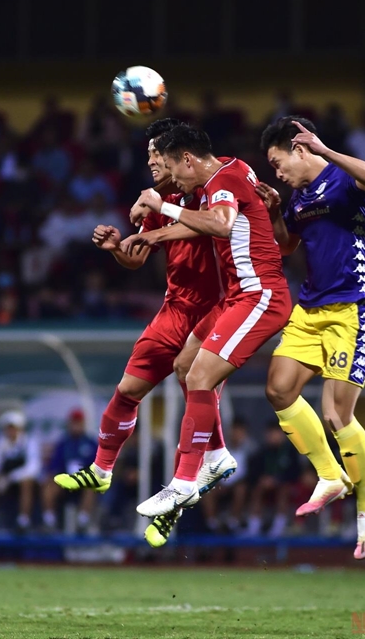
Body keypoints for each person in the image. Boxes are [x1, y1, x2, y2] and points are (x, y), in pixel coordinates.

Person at [53, 118, 237, 548]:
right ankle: (100, 470)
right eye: (150, 154)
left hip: (222, 310)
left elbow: (218, 223)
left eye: (158, 153)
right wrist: (119, 248)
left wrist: (159, 214)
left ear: (180, 154)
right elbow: (139, 255)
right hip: (175, 308)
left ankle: (179, 497)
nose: (151, 160)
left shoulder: (217, 184)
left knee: (192, 386)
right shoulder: (158, 199)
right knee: (127, 389)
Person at [129, 124, 291, 519]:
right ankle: (216, 456)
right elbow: (213, 220)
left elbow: (219, 223)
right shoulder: (232, 171)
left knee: (200, 376)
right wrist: (157, 230)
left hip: (260, 296)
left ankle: (182, 483)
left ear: (187, 159)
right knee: (185, 366)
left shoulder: (223, 180)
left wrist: (160, 206)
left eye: (170, 167)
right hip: (238, 295)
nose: (172, 178)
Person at [257, 115, 365, 559]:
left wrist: (326, 149)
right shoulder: (298, 198)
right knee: (278, 389)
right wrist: (276, 211)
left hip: (354, 308)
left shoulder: (344, 178)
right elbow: (286, 246)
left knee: (336, 414)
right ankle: (330, 475)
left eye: (278, 163)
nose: (277, 172)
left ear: (299, 149)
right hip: (310, 309)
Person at [42, 409, 98, 533]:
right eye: (74, 422)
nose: (76, 425)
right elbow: (54, 466)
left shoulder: (90, 443)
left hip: (84, 480)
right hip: (66, 480)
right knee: (49, 485)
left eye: (79, 422)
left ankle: (83, 521)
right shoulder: (63, 443)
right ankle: (49, 521)